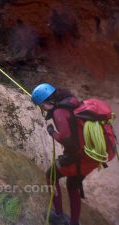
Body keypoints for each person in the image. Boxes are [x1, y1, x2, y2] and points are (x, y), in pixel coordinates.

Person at [31, 83, 101, 225]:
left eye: (42, 105)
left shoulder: (59, 112)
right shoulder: (70, 101)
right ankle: (74, 222)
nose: (43, 109)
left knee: (50, 175)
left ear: (47, 102)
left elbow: (66, 140)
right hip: (91, 154)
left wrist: (52, 133)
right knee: (72, 185)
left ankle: (58, 215)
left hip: (78, 157)